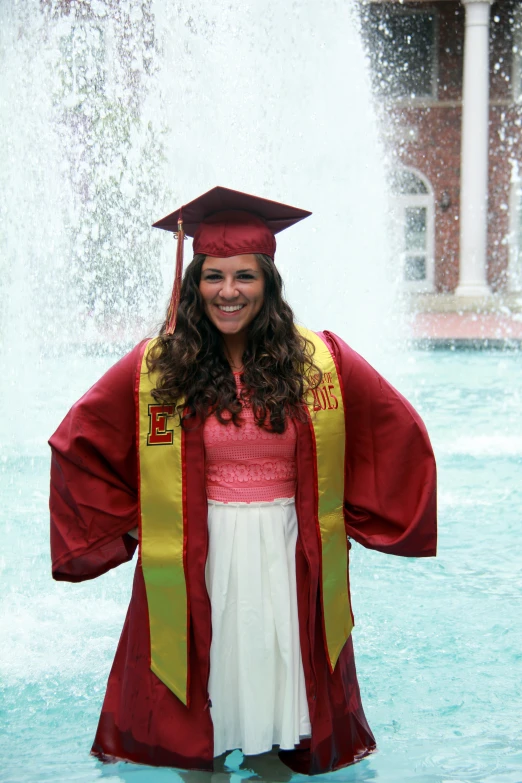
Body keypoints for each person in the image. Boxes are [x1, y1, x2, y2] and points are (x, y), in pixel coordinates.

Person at [49, 186, 437, 775]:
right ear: (195, 283)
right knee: (197, 734)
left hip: (287, 558)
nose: (228, 292)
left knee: (274, 729)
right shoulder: (157, 365)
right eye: (213, 276)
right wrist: (129, 523)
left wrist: (355, 514)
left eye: (244, 277)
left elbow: (394, 432)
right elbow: (79, 442)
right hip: (197, 558)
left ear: (268, 282)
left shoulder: (319, 359)